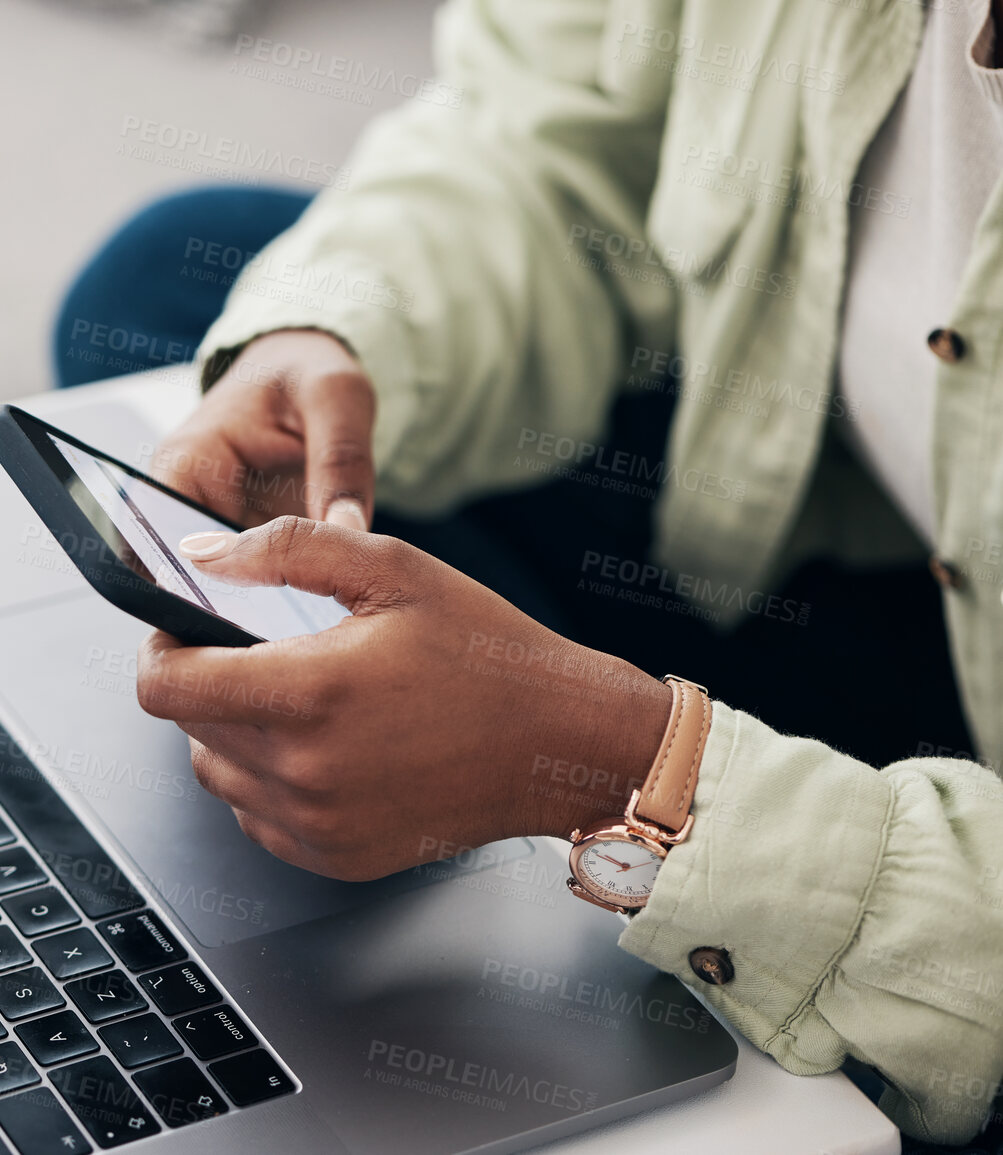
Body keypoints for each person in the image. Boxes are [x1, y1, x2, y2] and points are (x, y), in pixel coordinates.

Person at [55, 0, 1003, 1149]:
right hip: (862, 536)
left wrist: (637, 781)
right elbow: (546, 139)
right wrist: (337, 347)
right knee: (168, 294)